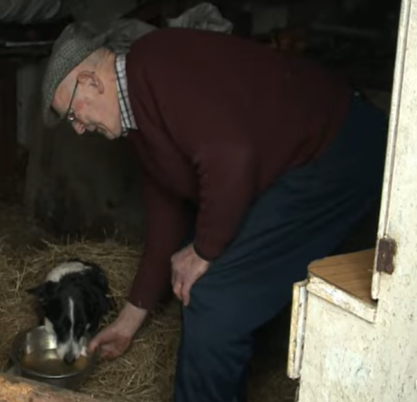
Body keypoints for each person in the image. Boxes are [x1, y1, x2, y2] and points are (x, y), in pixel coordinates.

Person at [40, 20, 388, 402]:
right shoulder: (138, 118)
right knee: (198, 269)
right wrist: (128, 321)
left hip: (334, 150)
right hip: (291, 167)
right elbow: (167, 219)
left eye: (72, 112)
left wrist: (205, 251)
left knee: (214, 297)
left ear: (90, 81)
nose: (77, 128)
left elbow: (233, 157)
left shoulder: (157, 64)